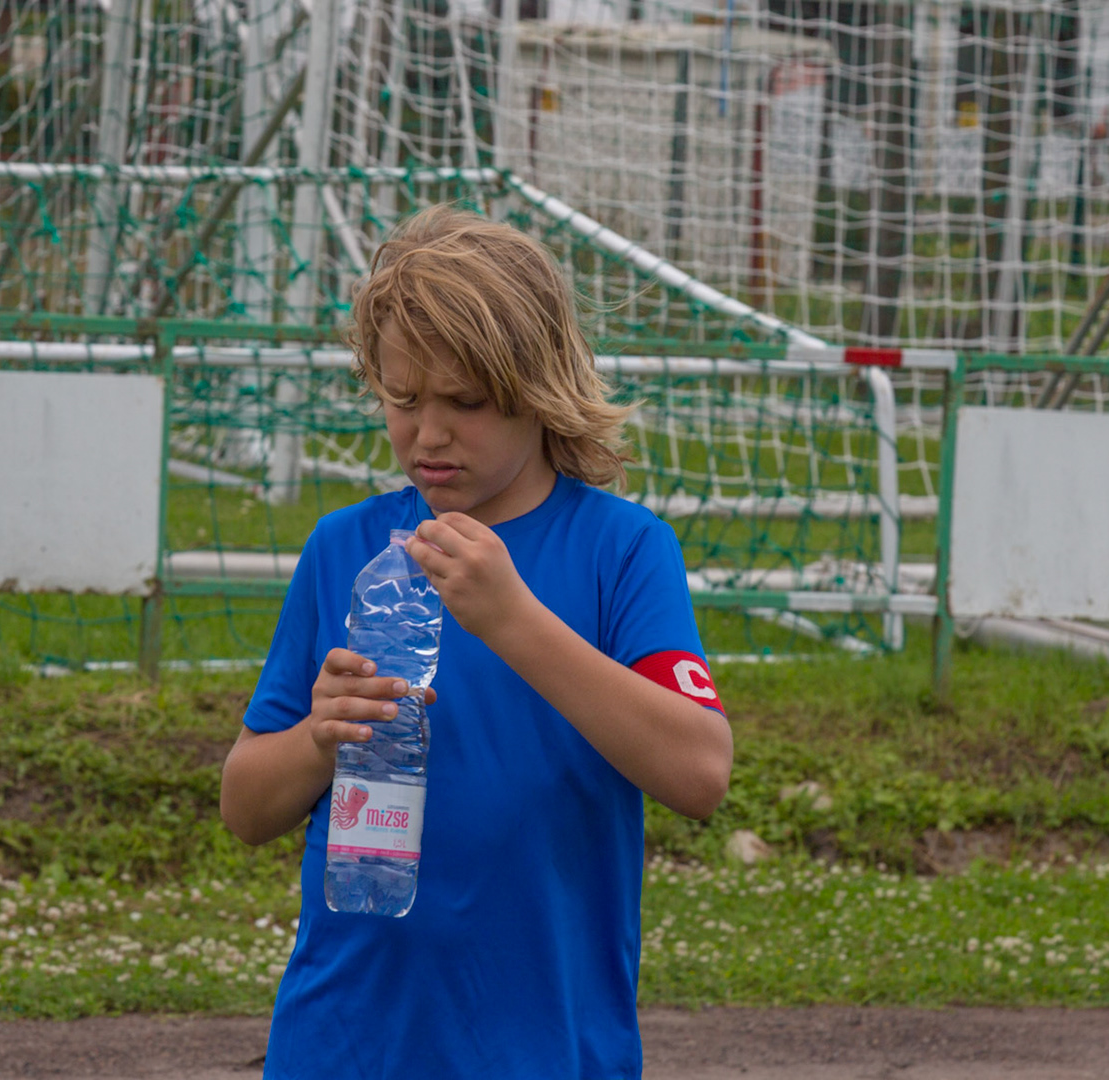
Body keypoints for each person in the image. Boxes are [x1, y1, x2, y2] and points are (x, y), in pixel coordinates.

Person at [218, 204, 733, 1080]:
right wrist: (316, 739)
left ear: (537, 390)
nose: (428, 433)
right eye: (403, 398)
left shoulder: (621, 550)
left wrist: (510, 618)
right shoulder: (346, 549)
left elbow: (699, 774)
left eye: (465, 402)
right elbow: (246, 807)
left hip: (547, 1049)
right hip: (343, 1047)